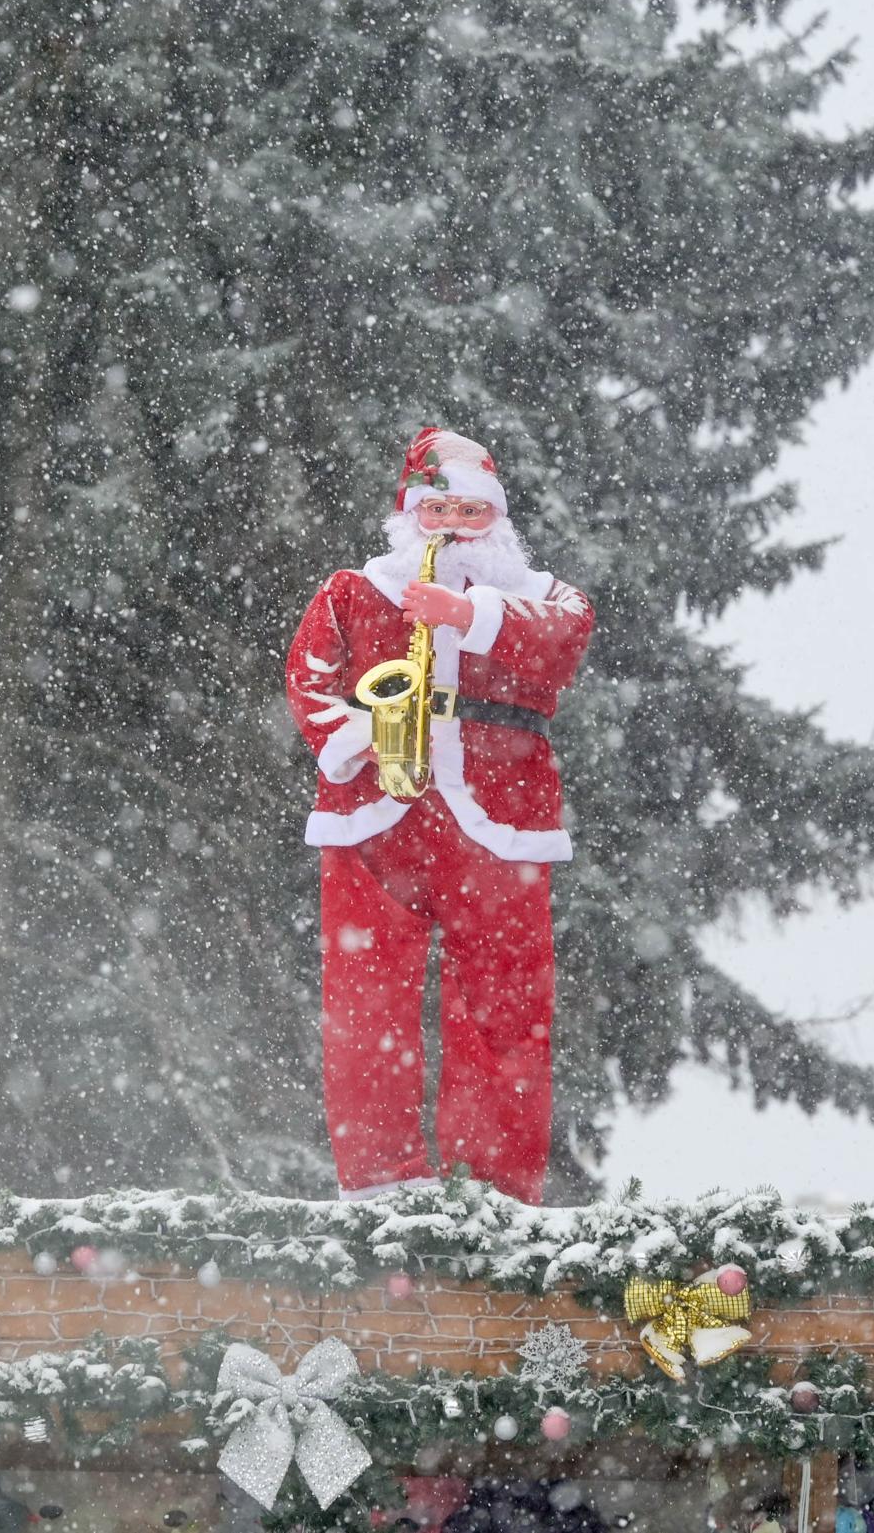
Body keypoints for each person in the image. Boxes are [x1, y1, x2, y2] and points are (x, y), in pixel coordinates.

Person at [283, 428, 594, 1203]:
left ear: (499, 517)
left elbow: (564, 639)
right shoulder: (355, 588)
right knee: (364, 1001)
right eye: (437, 509)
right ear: (409, 515)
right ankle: (380, 1183)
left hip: (500, 821)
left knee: (506, 1005)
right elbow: (309, 674)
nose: (454, 523)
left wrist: (468, 613)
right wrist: (350, 735)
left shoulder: (543, 593)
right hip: (375, 814)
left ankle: (492, 1187)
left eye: (471, 510)